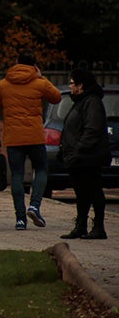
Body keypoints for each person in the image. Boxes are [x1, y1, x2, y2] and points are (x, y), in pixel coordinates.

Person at [0, 50, 62, 230]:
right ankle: (34, 206)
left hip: (13, 139)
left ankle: (20, 219)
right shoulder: (39, 83)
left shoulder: (2, 85)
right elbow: (56, 97)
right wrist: (41, 77)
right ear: (34, 65)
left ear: (16, 62)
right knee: (41, 169)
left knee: (17, 175)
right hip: (35, 137)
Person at [59, 68, 109, 239]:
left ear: (80, 86)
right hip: (79, 158)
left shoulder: (92, 102)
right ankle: (81, 225)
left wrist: (78, 150)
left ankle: (98, 227)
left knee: (93, 190)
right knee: (82, 193)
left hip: (88, 157)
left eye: (72, 83)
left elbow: (92, 130)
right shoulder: (81, 101)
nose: (70, 86)